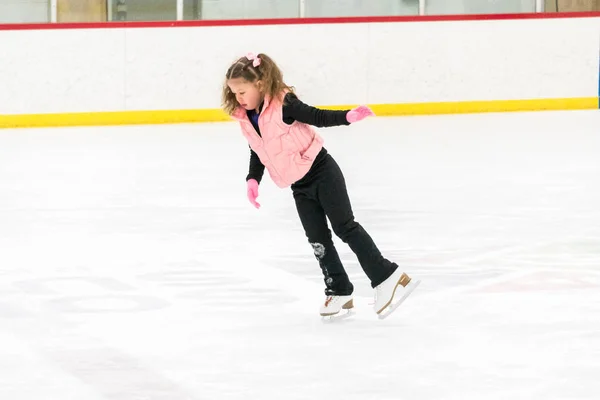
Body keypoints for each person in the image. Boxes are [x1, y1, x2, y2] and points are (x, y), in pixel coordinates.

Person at [222, 52, 419, 318]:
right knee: (317, 239)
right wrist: (253, 179)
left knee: (345, 227)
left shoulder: (284, 104)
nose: (239, 98)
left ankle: (389, 278)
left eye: (242, 91)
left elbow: (316, 116)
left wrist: (347, 117)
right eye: (234, 93)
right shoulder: (247, 118)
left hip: (322, 171)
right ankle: (338, 290)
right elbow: (257, 150)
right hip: (298, 185)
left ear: (259, 85)